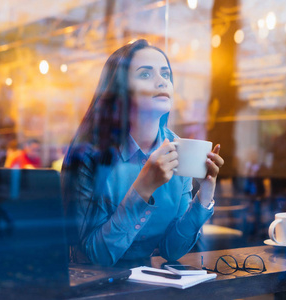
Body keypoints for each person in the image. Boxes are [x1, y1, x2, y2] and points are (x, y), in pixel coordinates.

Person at [61, 39, 224, 266]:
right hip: (93, 286)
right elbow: (94, 256)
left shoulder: (178, 147)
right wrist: (143, 188)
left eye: (166, 74)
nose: (162, 82)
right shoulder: (91, 155)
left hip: (147, 285)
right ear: (121, 91)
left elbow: (171, 250)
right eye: (146, 75)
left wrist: (204, 196)